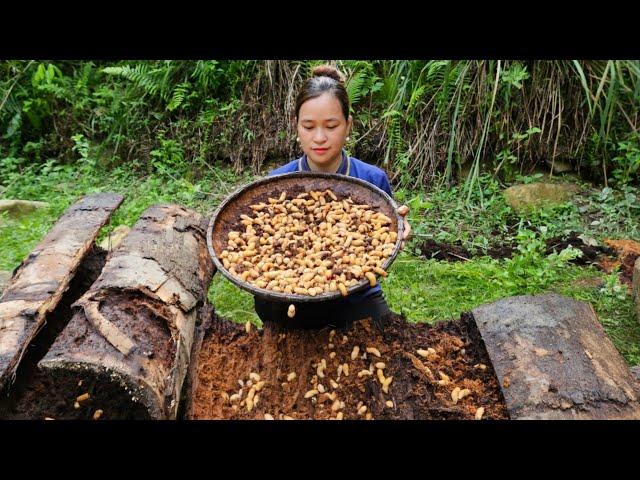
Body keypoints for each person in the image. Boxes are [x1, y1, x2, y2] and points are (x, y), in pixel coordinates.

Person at [254, 64, 412, 329]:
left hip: (356, 296)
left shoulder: (371, 180)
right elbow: (261, 248)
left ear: (348, 125)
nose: (319, 137)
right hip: (290, 297)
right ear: (296, 127)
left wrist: (398, 232)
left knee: (385, 336)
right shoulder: (277, 183)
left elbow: (384, 238)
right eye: (308, 126)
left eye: (331, 126)